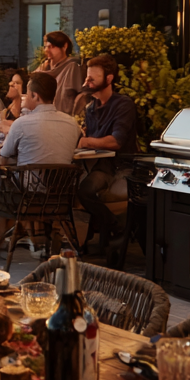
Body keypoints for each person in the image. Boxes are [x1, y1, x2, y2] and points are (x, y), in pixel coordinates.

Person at [0, 72, 81, 208]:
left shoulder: (22, 123)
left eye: (27, 93)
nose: (25, 96)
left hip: (23, 194)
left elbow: (2, 160)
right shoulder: (73, 124)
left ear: (35, 95)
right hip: (59, 197)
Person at [77, 54, 138, 268]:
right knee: (76, 188)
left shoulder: (123, 104)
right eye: (87, 78)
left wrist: (85, 141)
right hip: (100, 165)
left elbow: (115, 142)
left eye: (92, 79)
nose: (87, 82)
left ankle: (116, 228)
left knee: (86, 190)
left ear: (109, 78)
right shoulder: (90, 108)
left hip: (121, 166)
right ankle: (113, 229)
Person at [34, 31, 85, 114]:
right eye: (45, 47)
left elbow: (79, 96)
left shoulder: (71, 67)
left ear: (64, 46)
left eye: (51, 47)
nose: (47, 50)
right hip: (41, 115)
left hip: (63, 115)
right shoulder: (42, 68)